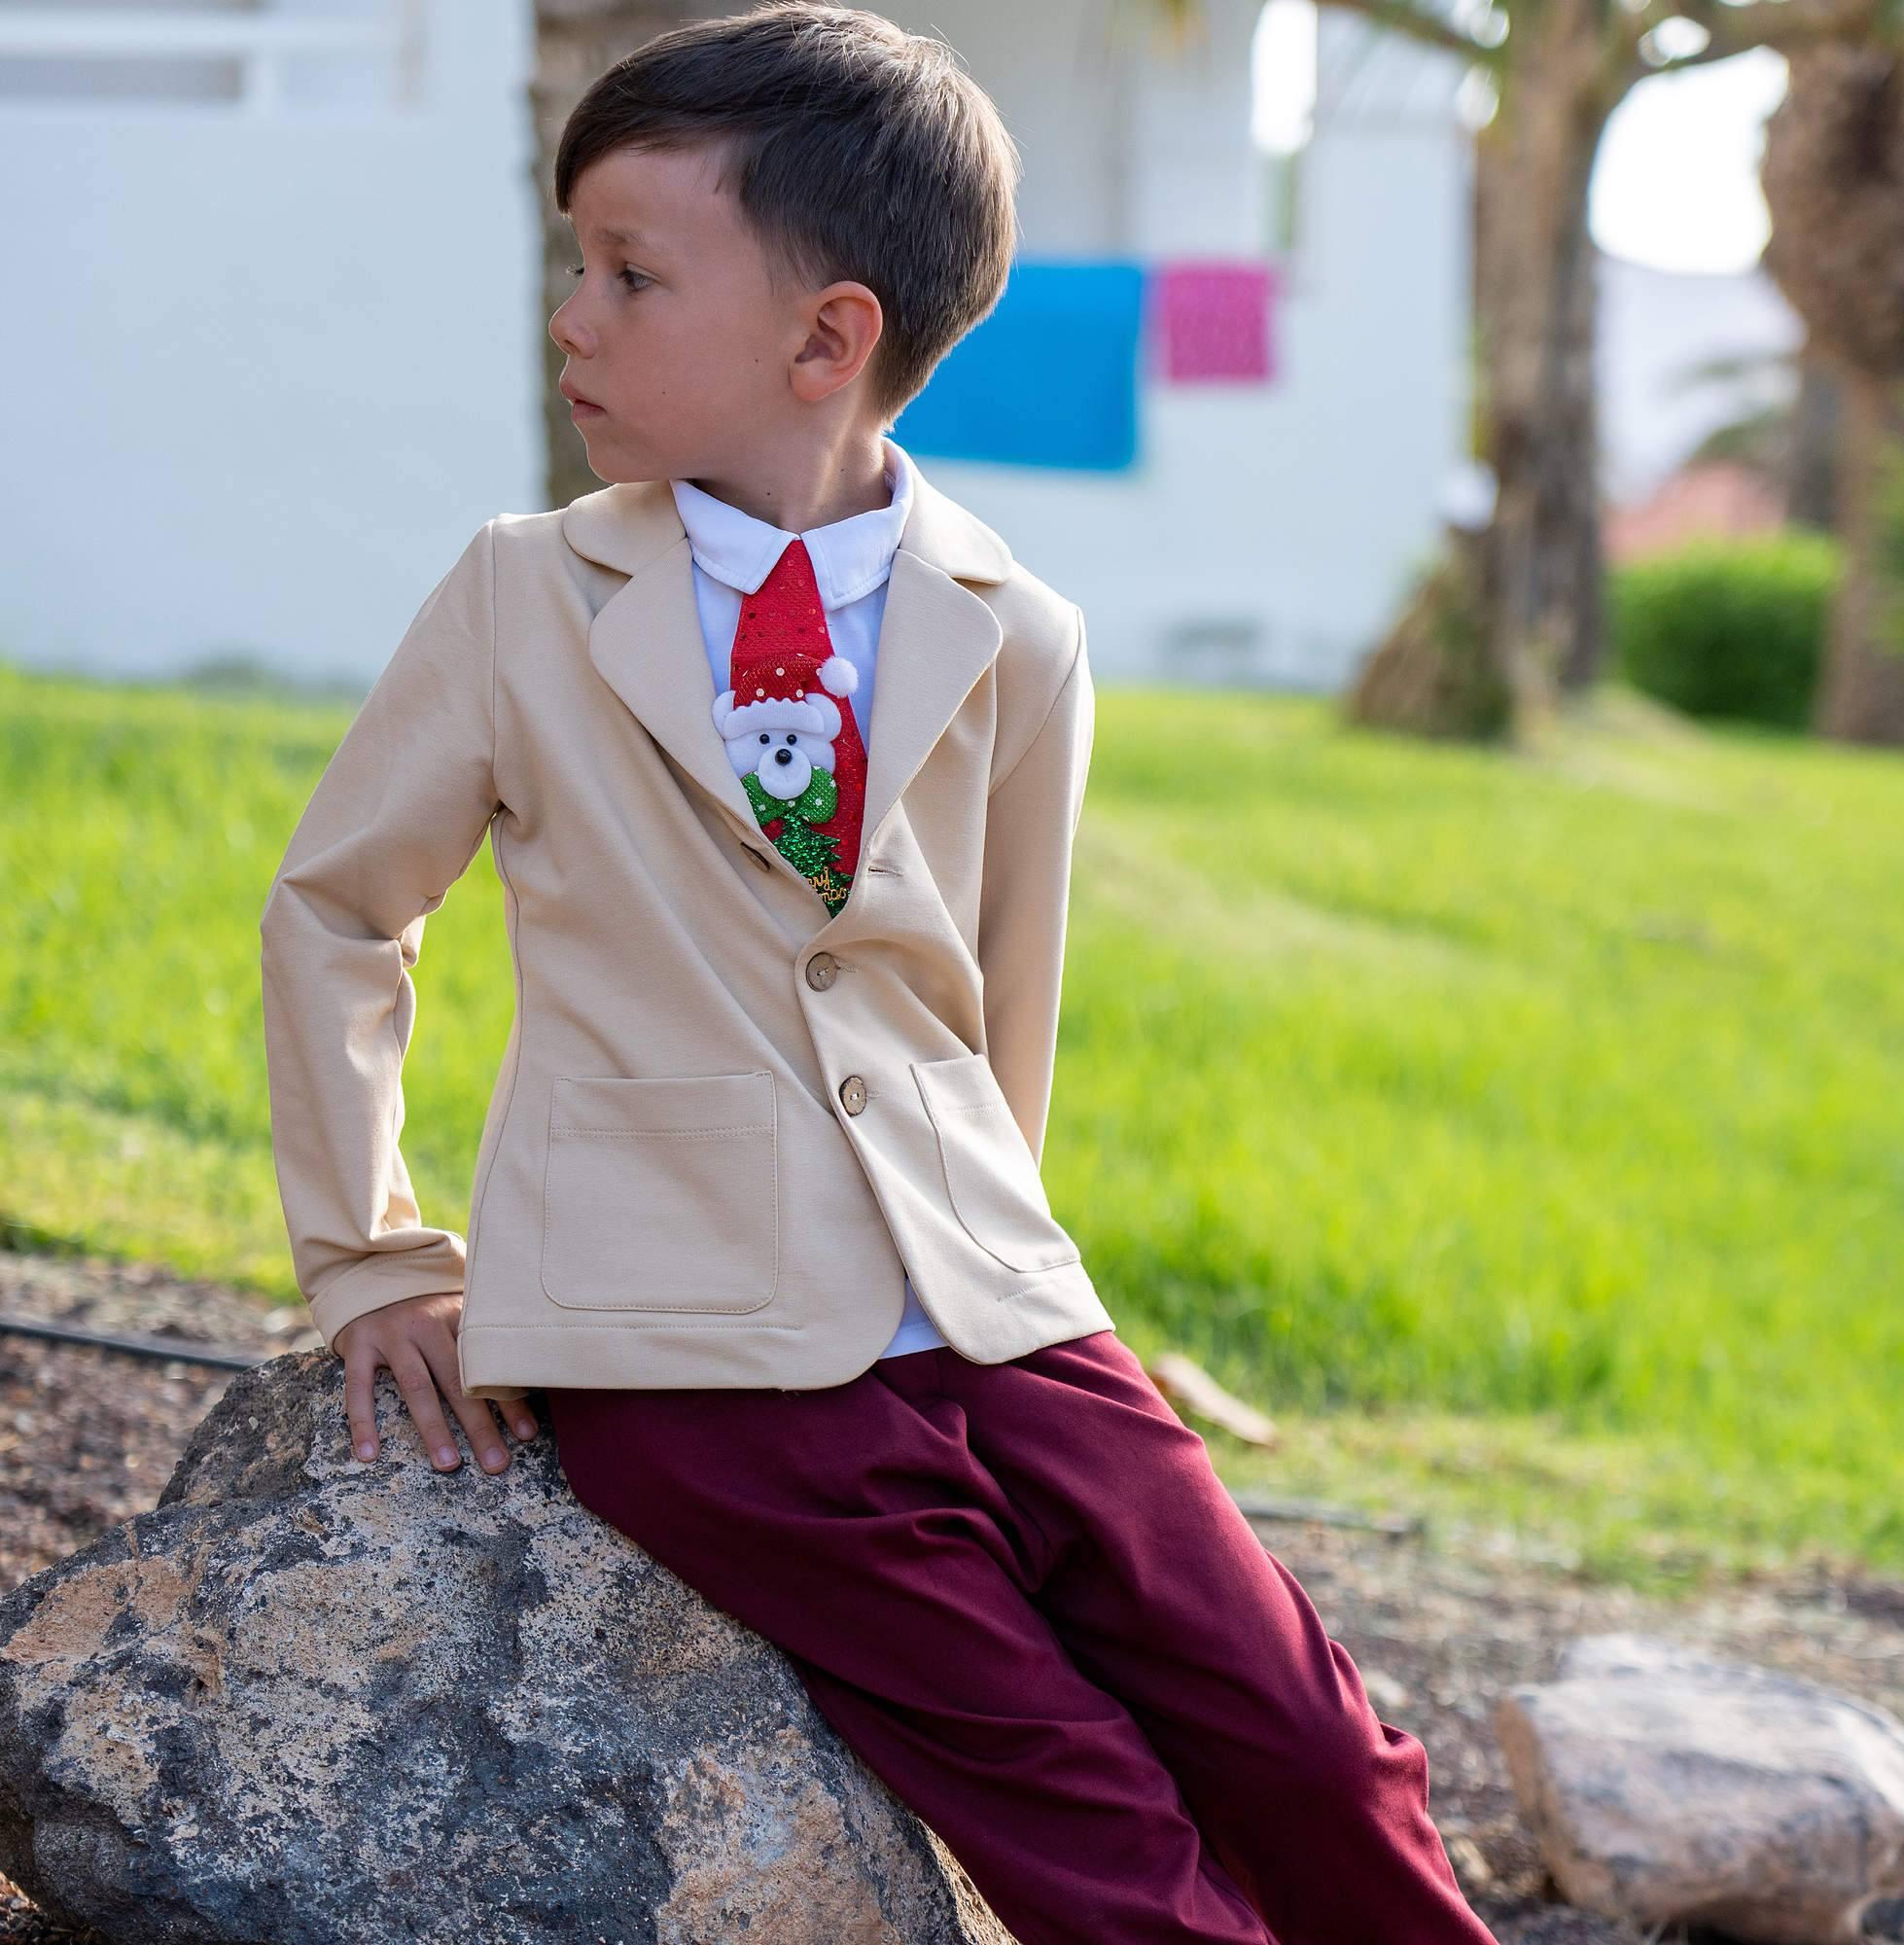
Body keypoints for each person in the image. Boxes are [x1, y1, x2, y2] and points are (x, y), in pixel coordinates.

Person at [258, 6, 1498, 1940]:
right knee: (1085, 1807)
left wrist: (1012, 1269)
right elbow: (341, 910)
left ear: (827, 335)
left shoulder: (1018, 632)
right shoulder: (523, 592)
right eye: (572, 264)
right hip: (690, 1346)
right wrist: (375, 1252)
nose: (570, 315)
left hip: (996, 1315)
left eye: (629, 273)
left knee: (1317, 1745)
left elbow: (1008, 998)